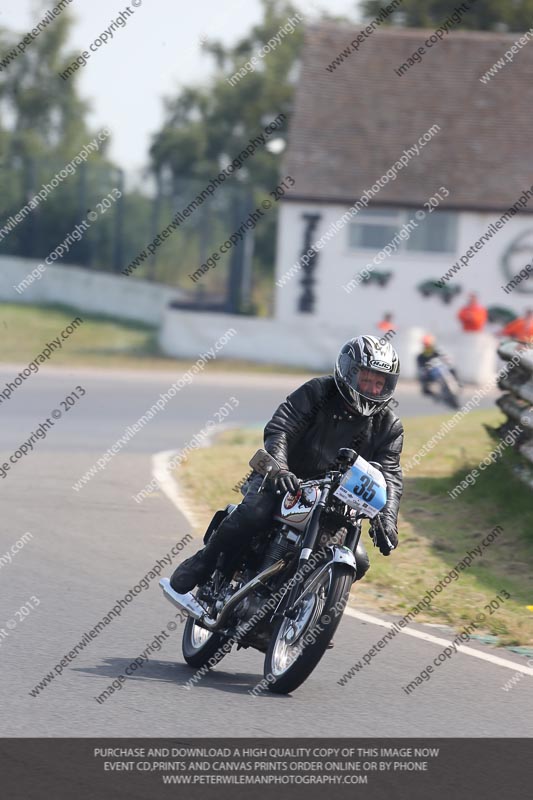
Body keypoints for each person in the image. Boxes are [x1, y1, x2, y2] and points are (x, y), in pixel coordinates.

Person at [170, 335, 404, 595]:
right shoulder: (318, 392)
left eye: (378, 382)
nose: (371, 387)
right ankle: (205, 560)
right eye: (366, 378)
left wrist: (387, 518)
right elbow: (280, 428)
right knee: (253, 514)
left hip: (336, 501)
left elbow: (390, 474)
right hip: (286, 479)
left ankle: (304, 607)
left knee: (358, 562)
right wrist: (280, 469)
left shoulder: (389, 426)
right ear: (350, 372)